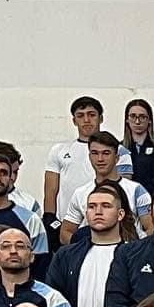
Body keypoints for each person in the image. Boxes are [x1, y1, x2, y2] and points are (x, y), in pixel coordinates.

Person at [48, 183, 137, 307]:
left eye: (106, 205)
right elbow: (52, 302)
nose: (98, 211)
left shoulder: (136, 256)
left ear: (120, 213)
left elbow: (139, 303)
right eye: (92, 206)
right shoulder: (66, 256)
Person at [44, 96, 132, 227]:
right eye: (80, 115)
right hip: (68, 226)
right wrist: (50, 221)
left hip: (106, 225)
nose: (86, 120)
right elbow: (50, 191)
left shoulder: (120, 151)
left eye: (92, 115)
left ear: (101, 118)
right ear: (74, 121)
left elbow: (124, 190)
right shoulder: (58, 150)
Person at [58, 132, 151, 245]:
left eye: (106, 153)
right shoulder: (80, 193)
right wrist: (85, 249)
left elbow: (151, 228)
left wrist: (135, 251)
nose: (100, 159)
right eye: (95, 153)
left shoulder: (136, 190)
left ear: (116, 158)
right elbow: (65, 233)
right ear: (89, 157)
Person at [120, 99, 154, 192]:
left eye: (142, 117)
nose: (137, 121)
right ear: (127, 120)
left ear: (149, 120)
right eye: (133, 116)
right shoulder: (119, 148)